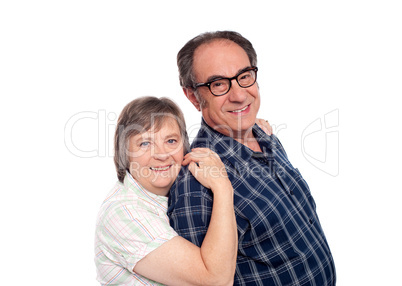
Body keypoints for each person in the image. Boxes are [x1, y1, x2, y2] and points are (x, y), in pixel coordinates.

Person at [168, 31, 336, 285]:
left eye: (244, 77)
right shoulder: (197, 182)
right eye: (219, 84)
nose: (238, 95)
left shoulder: (265, 136)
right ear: (193, 96)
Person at [94, 96, 271, 285]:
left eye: (171, 141)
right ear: (124, 153)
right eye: (145, 144)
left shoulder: (175, 189)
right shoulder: (123, 212)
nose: (162, 154)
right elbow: (216, 281)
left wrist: (247, 131)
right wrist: (223, 188)